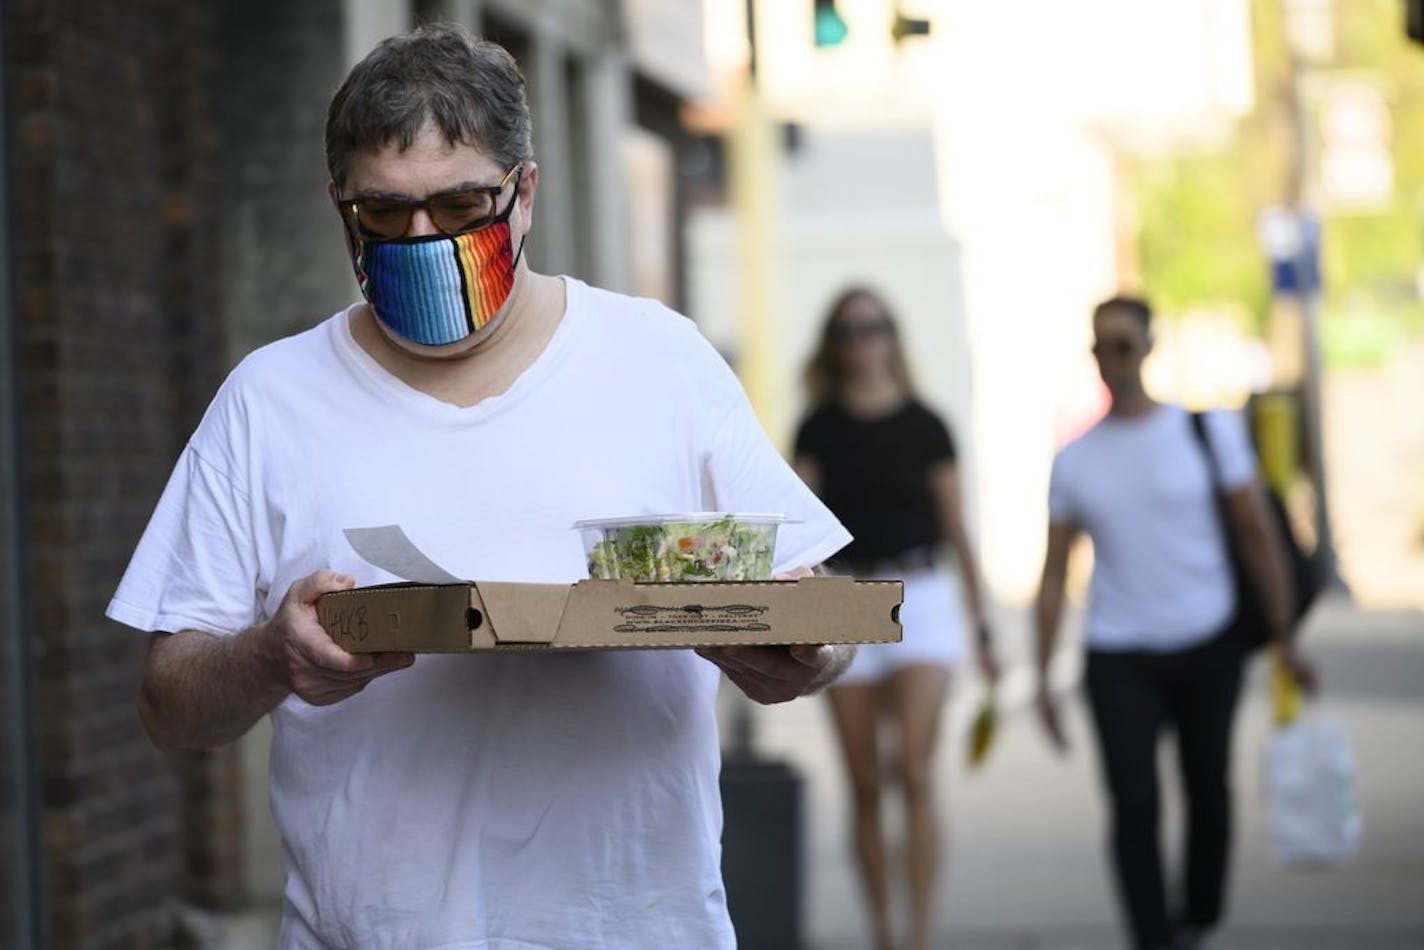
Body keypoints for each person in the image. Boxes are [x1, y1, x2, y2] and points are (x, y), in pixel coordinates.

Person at [106, 25, 860, 948]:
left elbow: (815, 606)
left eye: (460, 204)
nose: (423, 237)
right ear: (340, 205)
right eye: (384, 214)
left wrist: (799, 654)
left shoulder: (658, 359)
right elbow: (168, 705)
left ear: (525, 193)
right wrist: (272, 656)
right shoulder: (268, 400)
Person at [1033, 294, 1317, 950]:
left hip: (1208, 638)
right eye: (1102, 347)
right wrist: (1045, 674)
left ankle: (1201, 916)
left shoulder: (1205, 432)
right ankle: (1153, 937)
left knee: (1208, 790)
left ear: (1150, 349)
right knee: (1134, 805)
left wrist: (1283, 633)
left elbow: (1255, 533)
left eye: (1126, 345)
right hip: (1118, 651)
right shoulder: (1076, 459)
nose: (1115, 360)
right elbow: (1053, 573)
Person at [792, 286, 998, 950]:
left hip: (923, 594)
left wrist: (984, 621)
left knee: (913, 768)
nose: (863, 341)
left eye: (874, 327)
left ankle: (919, 934)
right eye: (849, 330)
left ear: (893, 335)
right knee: (863, 779)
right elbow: (798, 525)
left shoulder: (927, 424)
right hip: (847, 596)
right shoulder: (818, 426)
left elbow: (957, 526)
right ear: (834, 344)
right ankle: (882, 930)